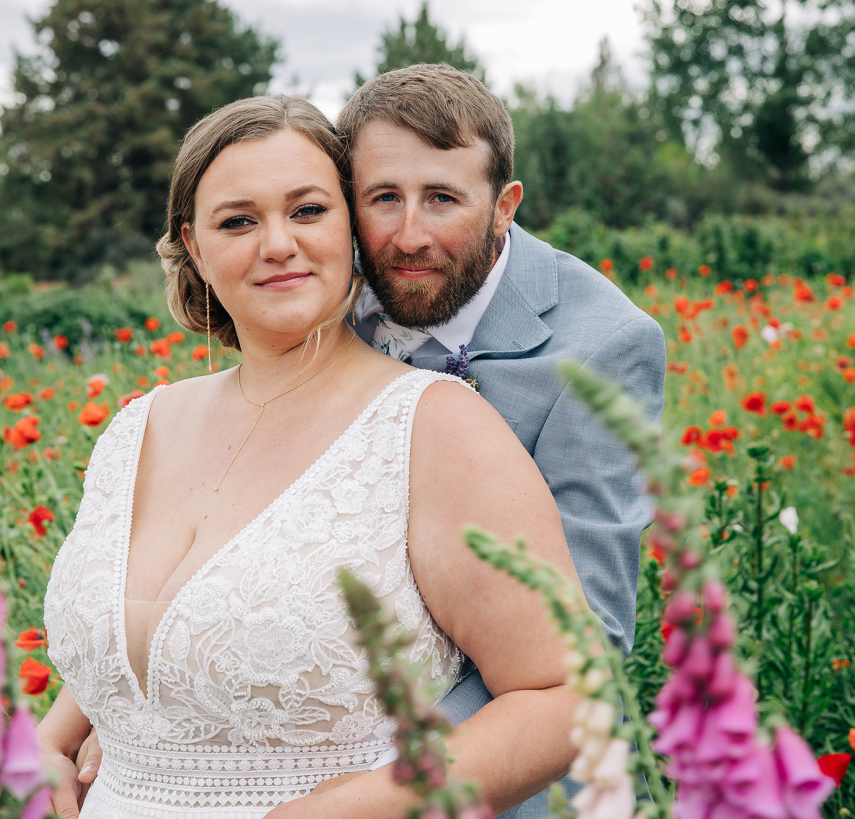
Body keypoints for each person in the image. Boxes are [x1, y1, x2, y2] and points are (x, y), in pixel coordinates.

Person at [38, 95, 587, 819]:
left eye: (307, 211)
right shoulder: (138, 427)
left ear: (353, 230)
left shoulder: (435, 428)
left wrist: (355, 807)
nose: (277, 244)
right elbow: (151, 641)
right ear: (194, 247)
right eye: (238, 220)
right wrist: (45, 743)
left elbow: (563, 697)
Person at [335, 64, 666, 817]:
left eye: (444, 198)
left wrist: (371, 779)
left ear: (503, 206)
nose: (409, 235)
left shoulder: (604, 348)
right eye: (383, 198)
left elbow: (584, 639)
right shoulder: (328, 287)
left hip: (489, 757)